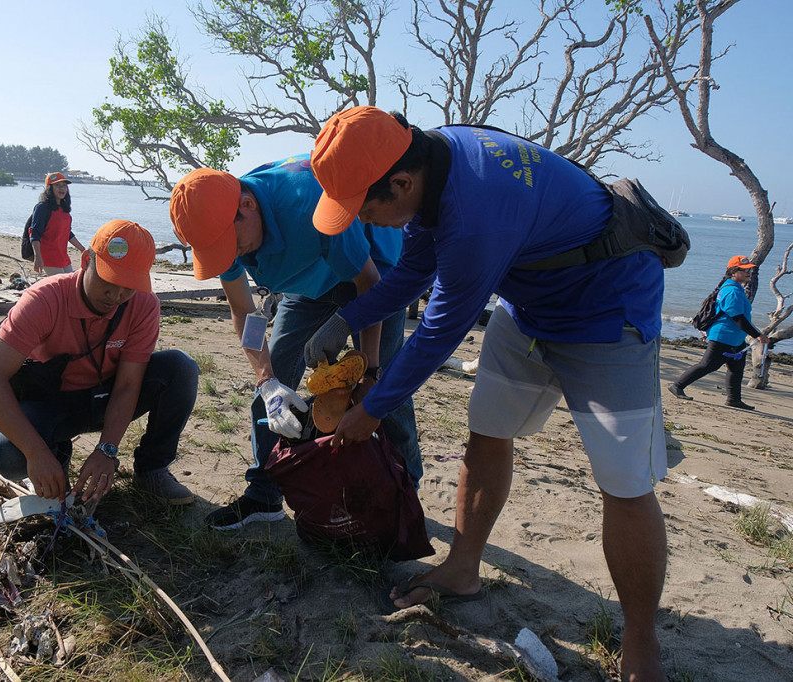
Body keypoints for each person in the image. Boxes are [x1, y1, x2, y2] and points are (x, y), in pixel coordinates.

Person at [304, 107, 669, 681]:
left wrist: (372, 411)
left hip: (608, 308)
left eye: (366, 210)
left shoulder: (475, 211)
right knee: (488, 432)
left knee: (624, 481)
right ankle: (463, 567)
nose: (368, 222)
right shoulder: (429, 160)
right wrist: (346, 318)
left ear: (401, 183)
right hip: (529, 305)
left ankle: (642, 641)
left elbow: (438, 333)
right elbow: (413, 273)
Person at [170, 159, 420, 531]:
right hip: (308, 286)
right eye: (220, 251)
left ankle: (404, 490)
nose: (233, 255)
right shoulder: (216, 226)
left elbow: (369, 284)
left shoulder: (310, 204)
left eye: (232, 244)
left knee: (385, 392)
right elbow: (244, 311)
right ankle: (263, 496)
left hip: (375, 274)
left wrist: (367, 371)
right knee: (273, 386)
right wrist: (267, 379)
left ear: (248, 206)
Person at [0, 219, 199, 505]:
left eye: (129, 286)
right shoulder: (44, 299)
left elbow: (129, 384)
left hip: (106, 395)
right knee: (7, 456)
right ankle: (54, 451)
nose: (117, 295)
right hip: (51, 402)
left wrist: (107, 450)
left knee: (180, 368)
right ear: (85, 260)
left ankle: (152, 468)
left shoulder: (144, 304)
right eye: (109, 280)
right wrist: (36, 454)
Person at [668, 255, 771, 410]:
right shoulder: (732, 291)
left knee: (736, 368)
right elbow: (737, 318)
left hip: (734, 338)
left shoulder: (735, 288)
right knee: (707, 365)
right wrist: (758, 335)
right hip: (723, 336)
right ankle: (677, 385)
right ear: (733, 272)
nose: (748, 272)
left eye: (749, 269)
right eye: (744, 270)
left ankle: (734, 399)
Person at [29, 172, 85, 276]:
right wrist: (38, 257)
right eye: (57, 185)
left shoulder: (64, 209)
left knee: (70, 285)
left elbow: (68, 233)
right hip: (48, 257)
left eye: (64, 185)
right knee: (63, 286)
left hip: (63, 257)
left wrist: (83, 249)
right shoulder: (42, 208)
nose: (62, 188)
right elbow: (34, 233)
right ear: (49, 188)